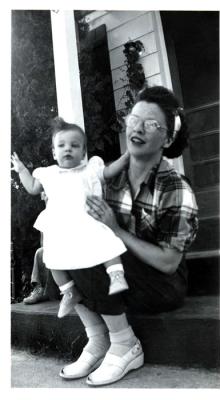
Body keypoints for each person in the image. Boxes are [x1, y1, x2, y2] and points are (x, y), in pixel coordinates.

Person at [50, 85, 198, 387]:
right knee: (53, 250)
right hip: (120, 276)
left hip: (161, 285)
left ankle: (125, 344)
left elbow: (169, 263)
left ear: (167, 138)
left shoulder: (174, 188)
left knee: (93, 252)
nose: (138, 128)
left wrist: (115, 230)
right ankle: (98, 338)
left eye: (151, 124)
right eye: (134, 119)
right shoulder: (109, 177)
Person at [11, 117, 130, 319]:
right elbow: (32, 187)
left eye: (75, 146)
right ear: (53, 152)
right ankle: (69, 290)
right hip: (61, 227)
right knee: (52, 260)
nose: (68, 149)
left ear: (83, 152)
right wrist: (22, 170)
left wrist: (126, 157)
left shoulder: (89, 171)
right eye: (61, 145)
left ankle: (116, 275)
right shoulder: (48, 173)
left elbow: (109, 172)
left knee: (108, 244)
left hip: (86, 222)